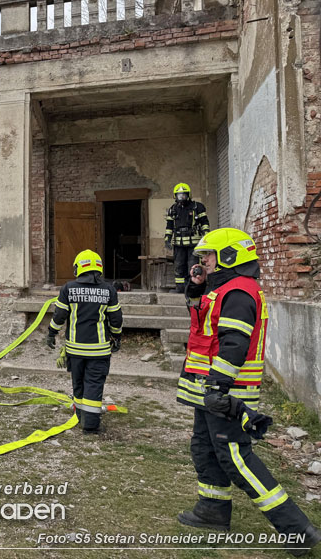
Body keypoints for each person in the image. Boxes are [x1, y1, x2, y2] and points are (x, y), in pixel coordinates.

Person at [176, 228, 320, 556]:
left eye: (208, 257)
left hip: (226, 392)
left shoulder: (239, 293)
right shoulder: (224, 289)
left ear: (229, 256)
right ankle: (211, 511)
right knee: (205, 449)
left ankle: (297, 529)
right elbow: (203, 327)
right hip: (210, 390)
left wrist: (217, 386)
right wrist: (196, 286)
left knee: (236, 459)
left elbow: (234, 344)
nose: (203, 263)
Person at [46, 250, 123, 434]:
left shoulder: (68, 289)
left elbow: (59, 315)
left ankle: (80, 415)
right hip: (99, 350)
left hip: (75, 349)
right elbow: (116, 319)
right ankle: (90, 425)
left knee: (78, 382)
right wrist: (116, 336)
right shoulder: (108, 290)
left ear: (78, 268)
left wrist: (51, 333)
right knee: (94, 384)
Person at [165, 183, 211, 293]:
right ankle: (180, 288)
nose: (181, 197)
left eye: (183, 195)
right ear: (175, 196)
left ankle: (194, 288)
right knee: (179, 266)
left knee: (193, 265)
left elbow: (204, 222)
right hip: (179, 244)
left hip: (193, 243)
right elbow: (169, 226)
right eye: (178, 195)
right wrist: (167, 238)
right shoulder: (173, 209)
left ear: (188, 195)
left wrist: (206, 233)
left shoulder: (197, 207)